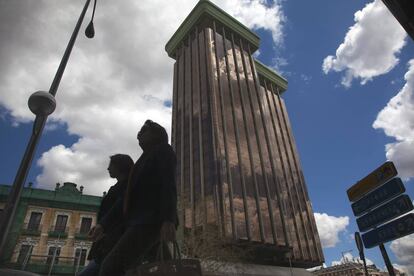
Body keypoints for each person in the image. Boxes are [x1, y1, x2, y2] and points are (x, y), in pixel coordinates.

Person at [90, 120, 178, 276]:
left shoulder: (163, 150)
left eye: (144, 130)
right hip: (140, 222)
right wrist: (103, 224)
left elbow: (168, 184)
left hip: (149, 221)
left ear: (156, 134)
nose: (139, 133)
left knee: (110, 268)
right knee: (164, 268)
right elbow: (127, 197)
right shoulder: (142, 160)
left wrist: (168, 219)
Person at [78, 154, 133, 276]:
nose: (108, 169)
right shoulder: (119, 187)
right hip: (108, 242)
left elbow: (118, 209)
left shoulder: (126, 187)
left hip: (113, 241)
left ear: (120, 167)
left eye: (111, 165)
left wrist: (102, 225)